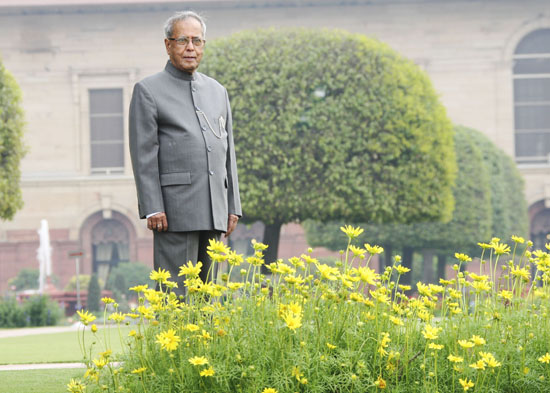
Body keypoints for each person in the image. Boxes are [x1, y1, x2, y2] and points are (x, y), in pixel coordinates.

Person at [129, 11, 241, 294]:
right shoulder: (148, 90)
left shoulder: (218, 91)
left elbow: (228, 152)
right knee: (174, 296)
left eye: (197, 41)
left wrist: (232, 205)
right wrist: (152, 205)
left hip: (215, 208)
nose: (191, 47)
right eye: (183, 40)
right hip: (173, 211)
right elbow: (143, 154)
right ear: (168, 45)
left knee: (209, 297)